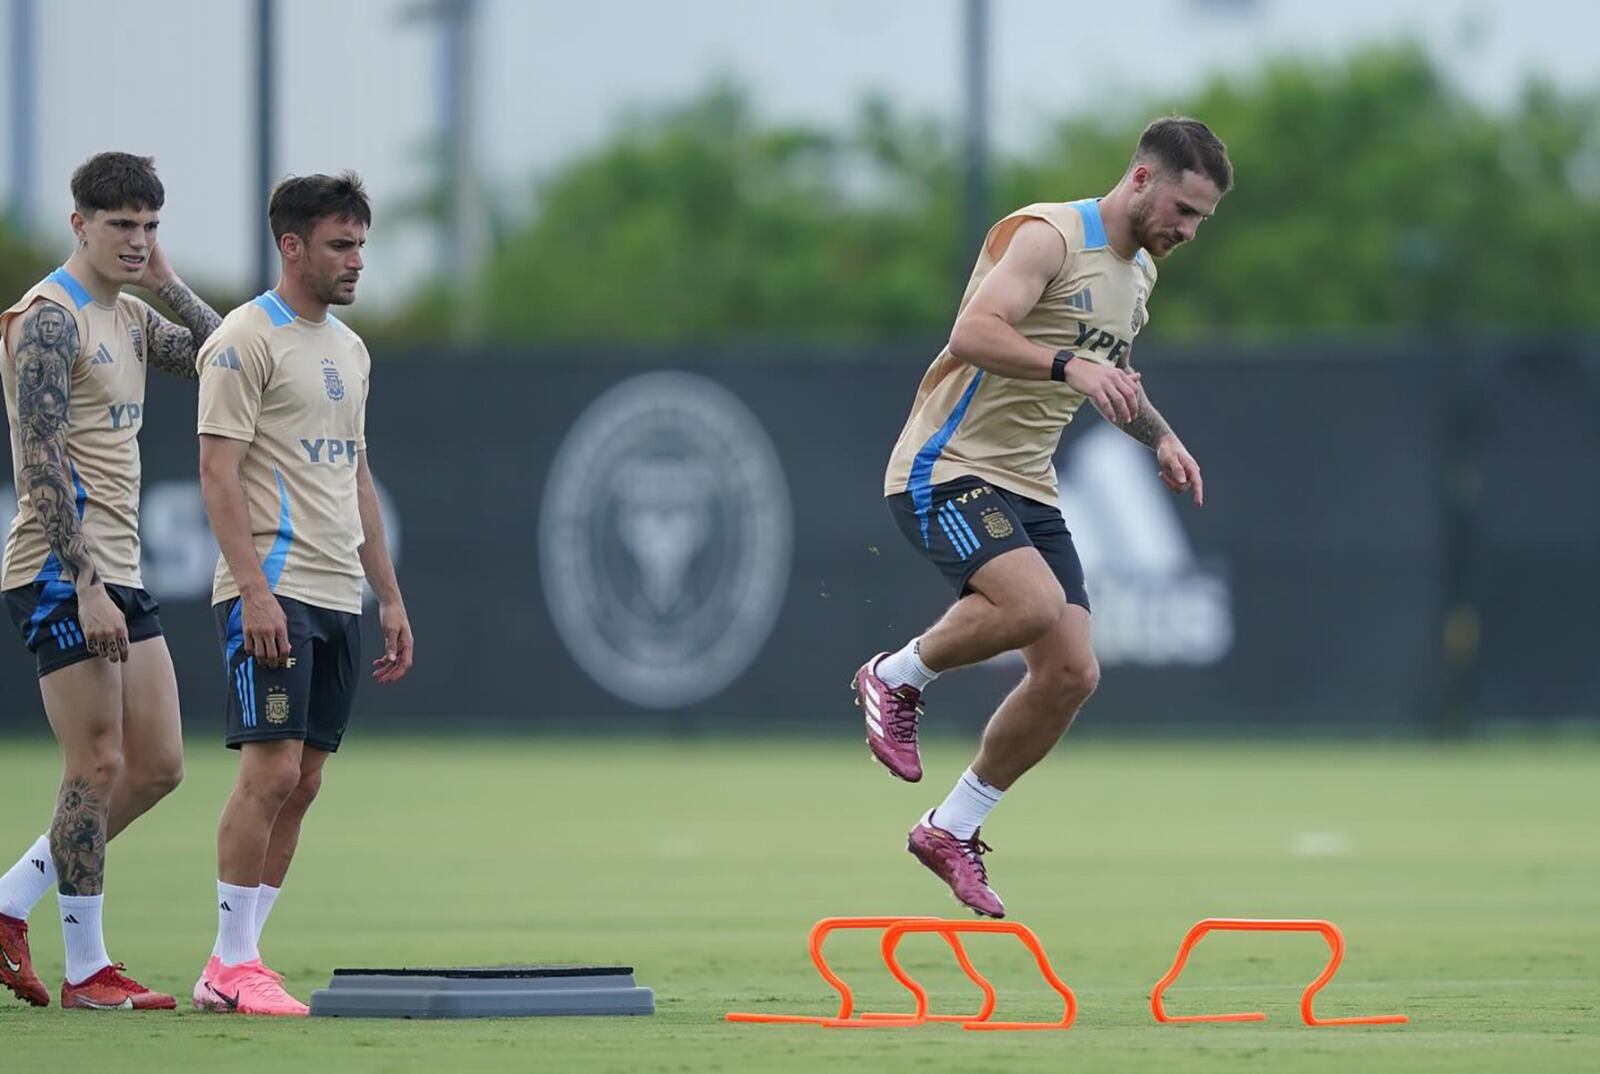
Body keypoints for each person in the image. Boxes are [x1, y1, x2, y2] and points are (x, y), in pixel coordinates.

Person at [856, 117, 1232, 917]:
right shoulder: (1050, 234)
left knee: (1071, 672)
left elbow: (1110, 379)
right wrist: (1070, 364)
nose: (1190, 231)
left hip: (1027, 484)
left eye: (1202, 219)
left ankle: (950, 829)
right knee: (1031, 604)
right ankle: (894, 676)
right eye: (1185, 210)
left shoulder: (1138, 280)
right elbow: (973, 332)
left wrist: (1160, 437)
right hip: (944, 465)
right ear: (1141, 178)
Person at [0, 151, 221, 1009]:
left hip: (121, 567)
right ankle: (88, 970)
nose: (136, 240)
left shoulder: (126, 315)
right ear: (78, 223)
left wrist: (167, 281)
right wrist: (85, 581)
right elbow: (42, 461)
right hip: (63, 569)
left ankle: (11, 900)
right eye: (121, 224)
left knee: (158, 765)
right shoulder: (50, 319)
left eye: (150, 225)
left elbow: (224, 356)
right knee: (95, 764)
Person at [191, 171, 413, 1016]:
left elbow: (357, 478)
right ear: (292, 247)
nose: (356, 262)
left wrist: (387, 596)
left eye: (361, 244)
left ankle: (240, 960)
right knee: (270, 768)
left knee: (307, 778)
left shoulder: (350, 351)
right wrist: (251, 590)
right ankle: (228, 962)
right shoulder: (244, 340)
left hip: (334, 589)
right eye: (339, 245)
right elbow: (215, 474)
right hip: (271, 587)